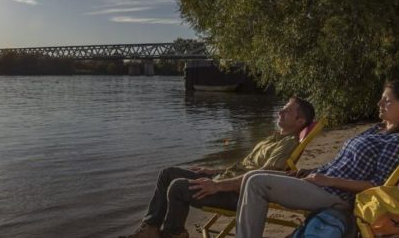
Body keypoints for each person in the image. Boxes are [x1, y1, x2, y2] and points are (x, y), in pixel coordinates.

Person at [234, 80, 399, 238]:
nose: (379, 104)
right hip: (321, 186)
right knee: (255, 175)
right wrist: (311, 171)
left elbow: (379, 185)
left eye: (387, 101)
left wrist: (328, 180)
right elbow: (341, 164)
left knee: (256, 182)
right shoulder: (376, 130)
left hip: (338, 196)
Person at [123, 96, 316, 238]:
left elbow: (261, 178)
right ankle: (150, 229)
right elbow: (244, 166)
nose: (280, 111)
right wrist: (214, 172)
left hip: (239, 194)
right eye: (283, 108)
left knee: (178, 187)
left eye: (287, 111)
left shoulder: (287, 144)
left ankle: (174, 234)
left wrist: (217, 185)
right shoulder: (273, 137)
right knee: (167, 174)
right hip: (226, 180)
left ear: (300, 122)